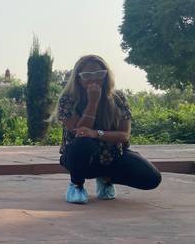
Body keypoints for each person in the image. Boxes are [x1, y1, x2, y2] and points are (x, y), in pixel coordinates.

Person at [56, 54, 161, 204]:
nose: (93, 79)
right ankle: (76, 185)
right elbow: (79, 132)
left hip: (112, 155)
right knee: (83, 142)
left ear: (106, 76)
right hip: (80, 157)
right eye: (87, 75)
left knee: (152, 178)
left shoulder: (117, 98)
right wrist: (93, 103)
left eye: (99, 74)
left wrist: (97, 133)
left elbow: (124, 135)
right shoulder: (68, 99)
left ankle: (106, 178)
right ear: (78, 78)